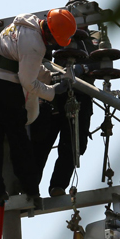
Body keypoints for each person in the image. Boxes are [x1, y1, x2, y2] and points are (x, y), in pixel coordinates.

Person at [0, 9, 77, 202]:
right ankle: (31, 190)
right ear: (52, 34)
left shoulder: (25, 24)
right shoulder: (36, 45)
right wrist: (53, 91)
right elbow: (28, 82)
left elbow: (26, 62)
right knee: (18, 139)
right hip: (3, 87)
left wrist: (48, 76)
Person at [30, 22, 100, 197]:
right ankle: (29, 186)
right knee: (41, 140)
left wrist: (83, 68)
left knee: (74, 142)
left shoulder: (94, 39)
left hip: (82, 95)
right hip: (55, 92)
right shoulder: (58, 34)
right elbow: (41, 55)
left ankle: (58, 185)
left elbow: (101, 61)